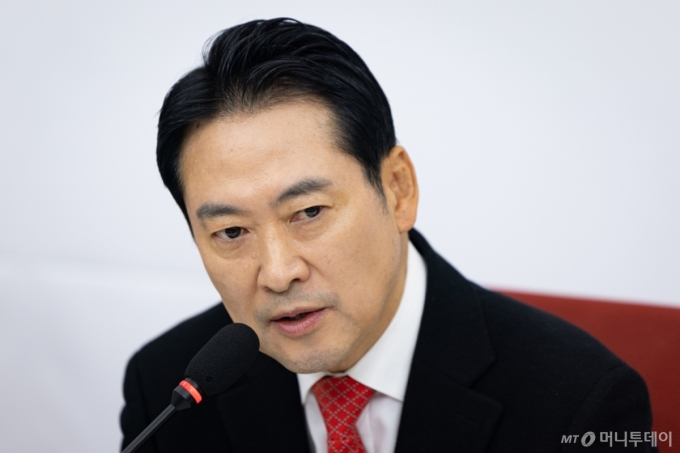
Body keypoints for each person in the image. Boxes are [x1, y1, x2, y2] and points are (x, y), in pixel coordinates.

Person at [120, 18, 655, 453]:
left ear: (398, 189)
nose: (279, 273)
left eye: (308, 212)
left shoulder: (580, 402)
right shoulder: (168, 394)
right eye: (232, 231)